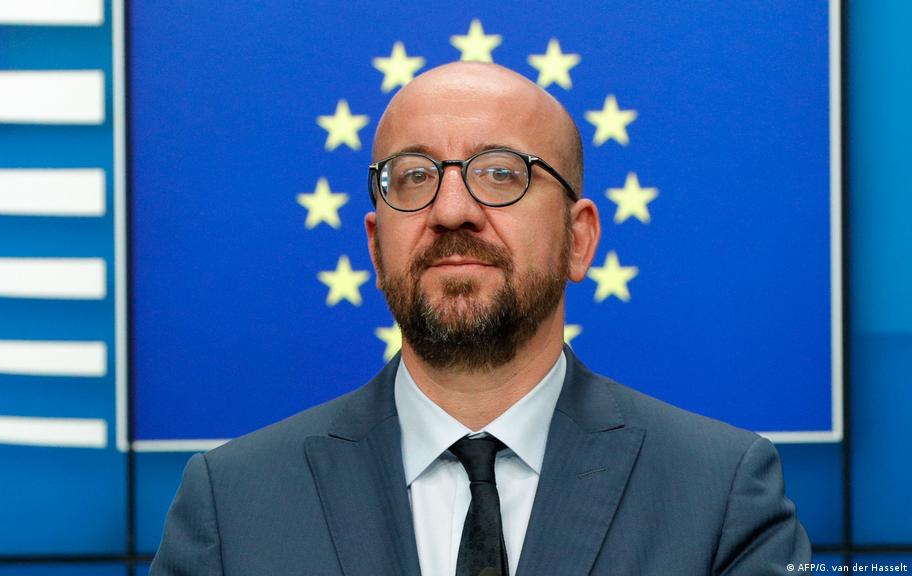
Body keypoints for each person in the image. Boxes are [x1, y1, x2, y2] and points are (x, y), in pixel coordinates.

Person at [151, 62, 810, 575]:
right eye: (414, 176)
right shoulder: (233, 503)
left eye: (501, 172)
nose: (451, 211)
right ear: (376, 247)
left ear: (579, 239)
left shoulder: (721, 495)